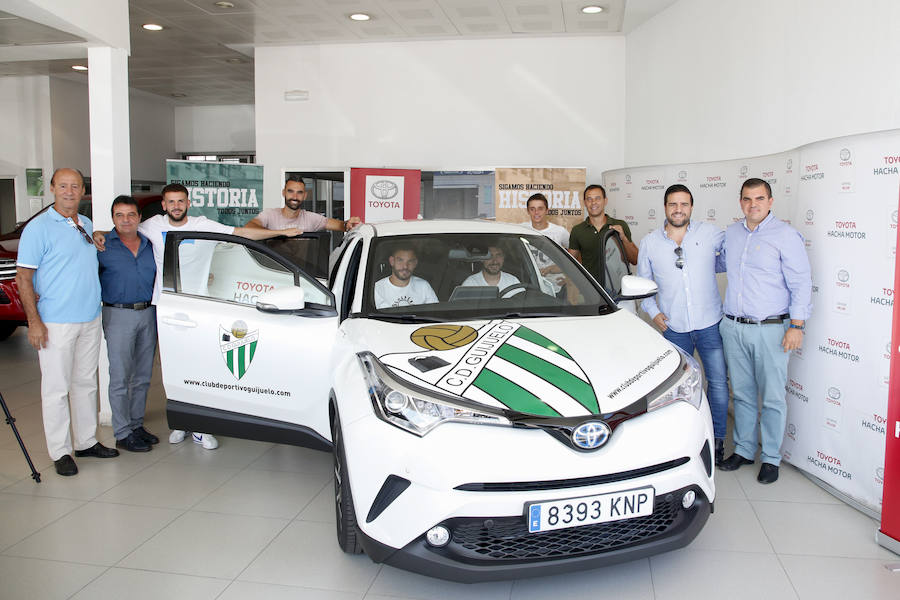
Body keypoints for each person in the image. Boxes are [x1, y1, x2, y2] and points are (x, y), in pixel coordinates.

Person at [95, 183, 303, 450]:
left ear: (188, 203)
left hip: (199, 308)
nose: (176, 206)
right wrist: (97, 232)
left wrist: (280, 232)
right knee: (169, 368)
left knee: (197, 366)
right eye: (171, 202)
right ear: (163, 205)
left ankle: (199, 428)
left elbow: (240, 233)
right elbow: (117, 231)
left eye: (181, 201)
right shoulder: (152, 226)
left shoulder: (202, 224)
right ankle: (168, 425)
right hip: (165, 308)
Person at [15, 168, 119, 476]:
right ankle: (60, 451)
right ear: (52, 189)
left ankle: (86, 441)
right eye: (63, 186)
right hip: (56, 322)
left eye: (75, 186)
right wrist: (34, 323)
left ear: (83, 191)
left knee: (85, 383)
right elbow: (23, 277)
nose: (70, 191)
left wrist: (97, 235)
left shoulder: (83, 223)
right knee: (56, 389)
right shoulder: (38, 228)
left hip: (89, 317)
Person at [718, 178, 811, 484]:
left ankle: (771, 457)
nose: (753, 204)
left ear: (770, 201)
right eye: (747, 199)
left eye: (759, 198)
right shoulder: (731, 234)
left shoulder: (785, 235)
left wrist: (796, 325)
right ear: (740, 202)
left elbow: (800, 283)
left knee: (772, 397)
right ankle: (744, 449)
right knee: (742, 394)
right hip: (734, 327)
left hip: (772, 329)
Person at [637, 184, 728, 465]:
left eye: (684, 204)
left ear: (691, 207)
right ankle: (682, 439)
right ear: (665, 207)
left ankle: (718, 440)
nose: (679, 209)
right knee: (676, 388)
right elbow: (642, 286)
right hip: (674, 328)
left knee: (718, 384)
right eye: (673, 204)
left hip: (710, 323)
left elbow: (732, 261)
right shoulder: (650, 243)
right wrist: (653, 313)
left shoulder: (711, 234)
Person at [98, 196, 159, 452]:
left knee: (143, 376)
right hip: (118, 315)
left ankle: (136, 425)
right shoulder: (101, 246)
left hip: (148, 313)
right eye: (120, 215)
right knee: (121, 376)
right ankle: (122, 432)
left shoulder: (150, 244)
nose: (126, 220)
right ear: (113, 218)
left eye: (131, 215)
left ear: (139, 217)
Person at [569, 184, 639, 282]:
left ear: (605, 201)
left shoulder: (620, 225)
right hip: (591, 290)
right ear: (585, 203)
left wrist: (623, 238)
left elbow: (635, 260)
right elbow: (570, 262)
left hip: (618, 290)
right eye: (589, 199)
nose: (593, 202)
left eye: (597, 198)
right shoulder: (577, 230)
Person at [245, 176, 360, 232]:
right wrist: (281, 233)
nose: (295, 197)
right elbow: (249, 227)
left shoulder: (310, 218)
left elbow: (340, 225)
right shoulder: (269, 215)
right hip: (275, 273)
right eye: (290, 191)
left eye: (299, 193)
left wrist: (347, 224)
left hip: (303, 274)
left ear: (305, 195)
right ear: (284, 193)